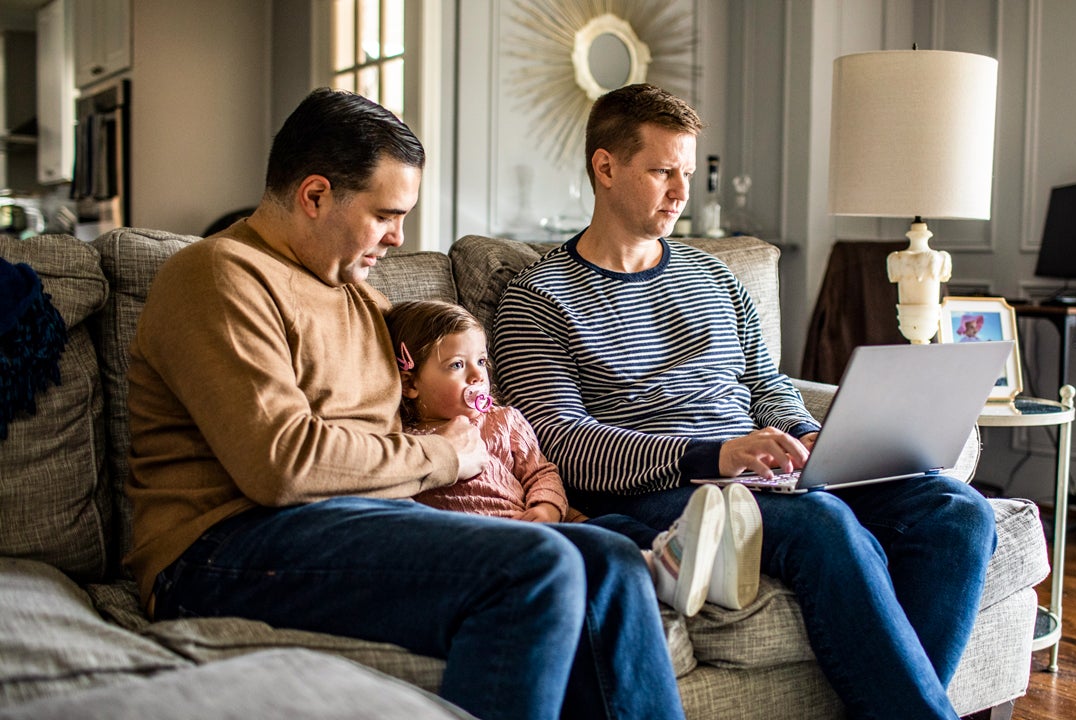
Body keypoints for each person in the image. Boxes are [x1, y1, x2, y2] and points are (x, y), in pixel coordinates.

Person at [124, 88, 687, 720]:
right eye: (387, 214)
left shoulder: (359, 296)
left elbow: (449, 402)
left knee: (608, 558)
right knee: (536, 567)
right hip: (221, 547)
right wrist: (441, 454)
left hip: (361, 521)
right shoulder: (219, 275)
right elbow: (281, 464)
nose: (398, 238)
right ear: (315, 196)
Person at [491, 83, 998, 720]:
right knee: (823, 525)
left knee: (956, 509)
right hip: (661, 488)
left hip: (764, 473)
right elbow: (565, 445)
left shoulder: (714, 275)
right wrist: (719, 455)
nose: (681, 191)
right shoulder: (538, 300)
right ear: (605, 167)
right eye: (661, 172)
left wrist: (807, 435)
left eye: (685, 171)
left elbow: (766, 386)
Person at [384, 298, 763, 617]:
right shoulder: (407, 442)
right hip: (492, 543)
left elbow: (540, 473)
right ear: (411, 383)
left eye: (481, 362)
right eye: (456, 366)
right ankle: (665, 569)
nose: (476, 377)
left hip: (542, 521)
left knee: (611, 524)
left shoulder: (503, 420)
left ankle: (699, 565)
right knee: (591, 550)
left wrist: (547, 506)